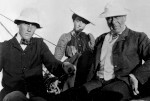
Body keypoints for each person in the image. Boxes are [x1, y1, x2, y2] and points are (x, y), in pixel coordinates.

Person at [56, 2, 150, 101]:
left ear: (124, 17)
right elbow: (84, 56)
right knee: (67, 96)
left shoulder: (138, 37)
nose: (113, 22)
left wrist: (136, 76)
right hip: (97, 81)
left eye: (117, 17)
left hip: (123, 81)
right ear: (106, 20)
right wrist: (66, 62)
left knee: (102, 97)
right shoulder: (101, 38)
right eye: (109, 18)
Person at [0, 8, 75, 101]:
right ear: (18, 24)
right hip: (11, 96)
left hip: (37, 95)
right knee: (14, 96)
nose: (29, 29)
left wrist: (65, 66)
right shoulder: (4, 47)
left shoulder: (39, 44)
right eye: (26, 23)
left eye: (33, 25)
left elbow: (53, 64)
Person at [54, 7, 95, 91]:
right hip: (71, 69)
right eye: (78, 21)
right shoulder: (65, 37)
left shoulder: (89, 38)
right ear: (73, 20)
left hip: (86, 71)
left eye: (83, 23)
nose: (80, 24)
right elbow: (56, 59)